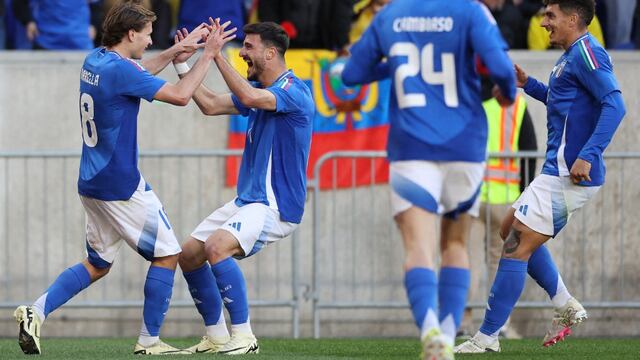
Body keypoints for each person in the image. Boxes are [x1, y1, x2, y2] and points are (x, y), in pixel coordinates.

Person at [12, 1, 236, 355]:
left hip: (91, 182)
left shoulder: (96, 60)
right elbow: (179, 96)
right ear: (131, 33)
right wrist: (206, 55)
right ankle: (149, 341)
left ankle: (35, 311)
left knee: (98, 263)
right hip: (120, 185)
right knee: (167, 255)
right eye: (147, 35)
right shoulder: (121, 71)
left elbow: (136, 73)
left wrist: (176, 50)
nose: (150, 41)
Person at [341, 0, 517, 359]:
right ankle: (449, 336)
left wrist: (394, 66)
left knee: (417, 249)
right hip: (465, 146)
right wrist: (507, 92)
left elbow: (351, 74)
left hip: (412, 147)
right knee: (455, 245)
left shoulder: (390, 14)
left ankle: (430, 330)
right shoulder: (470, 11)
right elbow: (501, 67)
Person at [455, 0, 626, 353]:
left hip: (569, 174)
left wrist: (588, 155)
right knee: (508, 230)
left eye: (551, 15)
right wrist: (527, 84)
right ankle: (564, 302)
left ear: (573, 18)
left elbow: (615, 104)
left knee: (514, 248)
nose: (544, 21)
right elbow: (565, 103)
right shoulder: (568, 57)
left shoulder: (587, 53)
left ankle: (487, 337)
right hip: (555, 172)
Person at [171, 20, 314, 354]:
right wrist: (182, 62)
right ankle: (217, 335)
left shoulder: (293, 91)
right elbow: (208, 104)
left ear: (270, 52)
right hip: (248, 200)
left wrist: (216, 55)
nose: (244, 54)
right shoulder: (259, 96)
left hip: (275, 206)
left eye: (248, 48)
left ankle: (245, 336)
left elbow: (248, 94)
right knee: (189, 254)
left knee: (217, 247)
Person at [12, 0, 103, 50]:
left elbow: (97, 5)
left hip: (80, 42)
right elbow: (19, 3)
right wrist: (28, 21)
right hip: (46, 41)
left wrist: (93, 24)